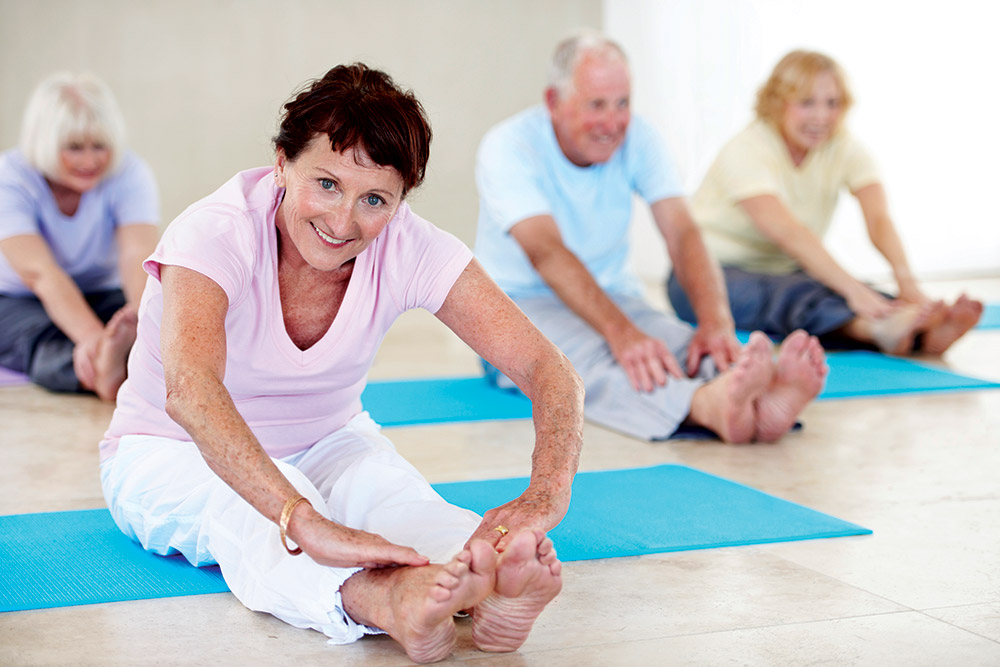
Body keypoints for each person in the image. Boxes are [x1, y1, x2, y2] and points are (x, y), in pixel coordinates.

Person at [99, 64, 581, 663]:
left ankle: (495, 585)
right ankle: (389, 601)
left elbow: (547, 365)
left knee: (394, 497)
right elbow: (190, 391)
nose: (342, 221)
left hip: (329, 437)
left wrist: (546, 494)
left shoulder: (408, 244)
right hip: (168, 448)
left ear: (400, 201)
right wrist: (300, 518)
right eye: (325, 184)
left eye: (374, 199)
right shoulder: (213, 232)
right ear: (282, 162)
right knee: (256, 515)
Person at [474, 32, 827, 444]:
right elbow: (546, 251)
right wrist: (622, 334)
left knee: (680, 344)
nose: (613, 122)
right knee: (589, 363)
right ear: (554, 102)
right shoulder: (508, 146)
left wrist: (715, 323)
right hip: (516, 307)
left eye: (622, 103)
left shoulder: (640, 137)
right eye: (596, 105)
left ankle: (759, 402)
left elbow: (682, 231)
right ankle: (709, 407)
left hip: (612, 294)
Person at [671, 49, 983, 355]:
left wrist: (906, 283)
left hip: (787, 268)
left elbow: (878, 219)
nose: (821, 116)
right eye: (807, 103)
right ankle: (879, 329)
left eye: (832, 103)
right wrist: (853, 290)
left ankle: (919, 334)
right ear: (777, 102)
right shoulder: (747, 149)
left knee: (859, 293)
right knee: (800, 294)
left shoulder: (843, 146)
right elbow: (789, 233)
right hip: (703, 274)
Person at [0, 72, 159, 400]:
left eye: (99, 146)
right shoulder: (10, 178)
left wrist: (146, 323)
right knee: (44, 341)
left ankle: (130, 363)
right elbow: (40, 273)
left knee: (127, 321)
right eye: (74, 148)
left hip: (99, 291)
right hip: (17, 299)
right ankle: (103, 372)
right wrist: (93, 341)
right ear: (45, 143)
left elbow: (136, 255)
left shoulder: (129, 172)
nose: (89, 161)